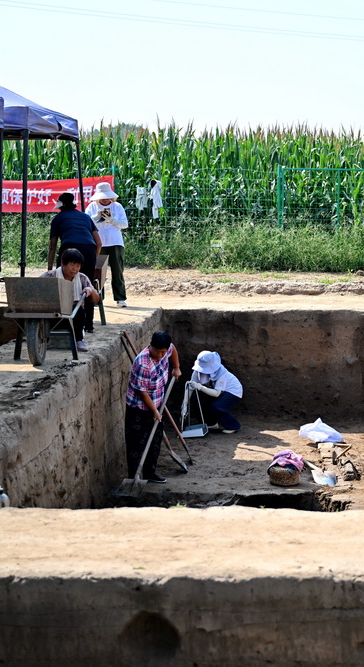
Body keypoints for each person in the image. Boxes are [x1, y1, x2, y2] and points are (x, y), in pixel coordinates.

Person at [125, 331, 182, 484]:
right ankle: (134, 478)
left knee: (155, 441)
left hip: (157, 403)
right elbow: (142, 392)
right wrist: (155, 411)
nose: (160, 355)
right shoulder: (143, 364)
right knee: (137, 444)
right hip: (139, 409)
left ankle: (150, 473)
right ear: (151, 346)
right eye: (157, 351)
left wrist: (176, 367)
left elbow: (172, 349)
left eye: (163, 352)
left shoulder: (166, 350)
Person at [48, 192, 102, 332]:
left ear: (60, 206)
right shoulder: (86, 217)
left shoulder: (58, 218)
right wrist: (92, 260)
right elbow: (99, 243)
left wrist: (50, 267)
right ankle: (88, 325)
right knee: (88, 286)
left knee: (62, 285)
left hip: (68, 249)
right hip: (89, 250)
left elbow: (52, 246)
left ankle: (63, 322)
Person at [38, 248, 99, 352]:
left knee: (79, 310)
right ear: (63, 263)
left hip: (73, 316)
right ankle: (44, 339)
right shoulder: (50, 276)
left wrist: (90, 291)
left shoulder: (82, 278)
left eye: (78, 266)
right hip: (52, 314)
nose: (75, 269)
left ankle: (79, 340)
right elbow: (36, 290)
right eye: (72, 265)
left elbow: (96, 299)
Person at [84, 182, 130, 308]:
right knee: (97, 271)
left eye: (107, 197)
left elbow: (124, 224)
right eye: (102, 197)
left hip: (115, 242)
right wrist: (96, 218)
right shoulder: (92, 207)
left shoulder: (117, 206)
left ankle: (120, 298)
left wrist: (112, 220)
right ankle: (98, 298)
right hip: (98, 242)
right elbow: (86, 223)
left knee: (117, 271)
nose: (105, 200)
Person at [188, 351, 243, 434]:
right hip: (214, 390)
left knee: (217, 406)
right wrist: (185, 404)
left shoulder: (222, 373)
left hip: (232, 391)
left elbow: (216, 393)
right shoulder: (197, 371)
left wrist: (200, 387)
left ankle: (233, 426)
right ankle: (211, 423)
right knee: (197, 399)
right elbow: (191, 387)